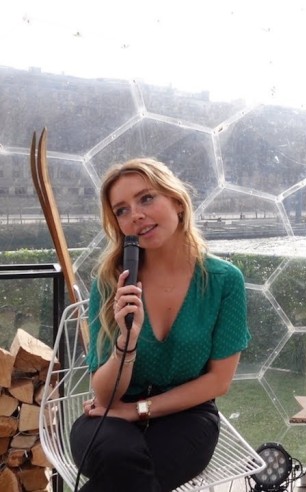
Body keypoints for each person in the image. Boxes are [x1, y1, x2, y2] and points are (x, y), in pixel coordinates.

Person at [70, 158, 251, 491]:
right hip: (111, 415)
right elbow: (105, 395)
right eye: (122, 210)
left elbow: (218, 381)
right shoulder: (110, 283)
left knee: (128, 470)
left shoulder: (224, 281)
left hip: (188, 417)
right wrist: (127, 340)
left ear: (177, 202)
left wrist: (137, 411)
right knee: (117, 455)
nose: (135, 215)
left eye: (146, 198)